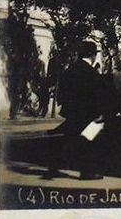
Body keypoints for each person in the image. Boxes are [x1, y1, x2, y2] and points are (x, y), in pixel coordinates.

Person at [46, 40, 105, 180]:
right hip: (88, 113)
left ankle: (53, 167)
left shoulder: (70, 69)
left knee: (69, 140)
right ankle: (87, 172)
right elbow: (96, 94)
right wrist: (99, 112)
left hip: (73, 111)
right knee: (89, 140)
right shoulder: (91, 72)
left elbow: (63, 90)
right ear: (92, 55)